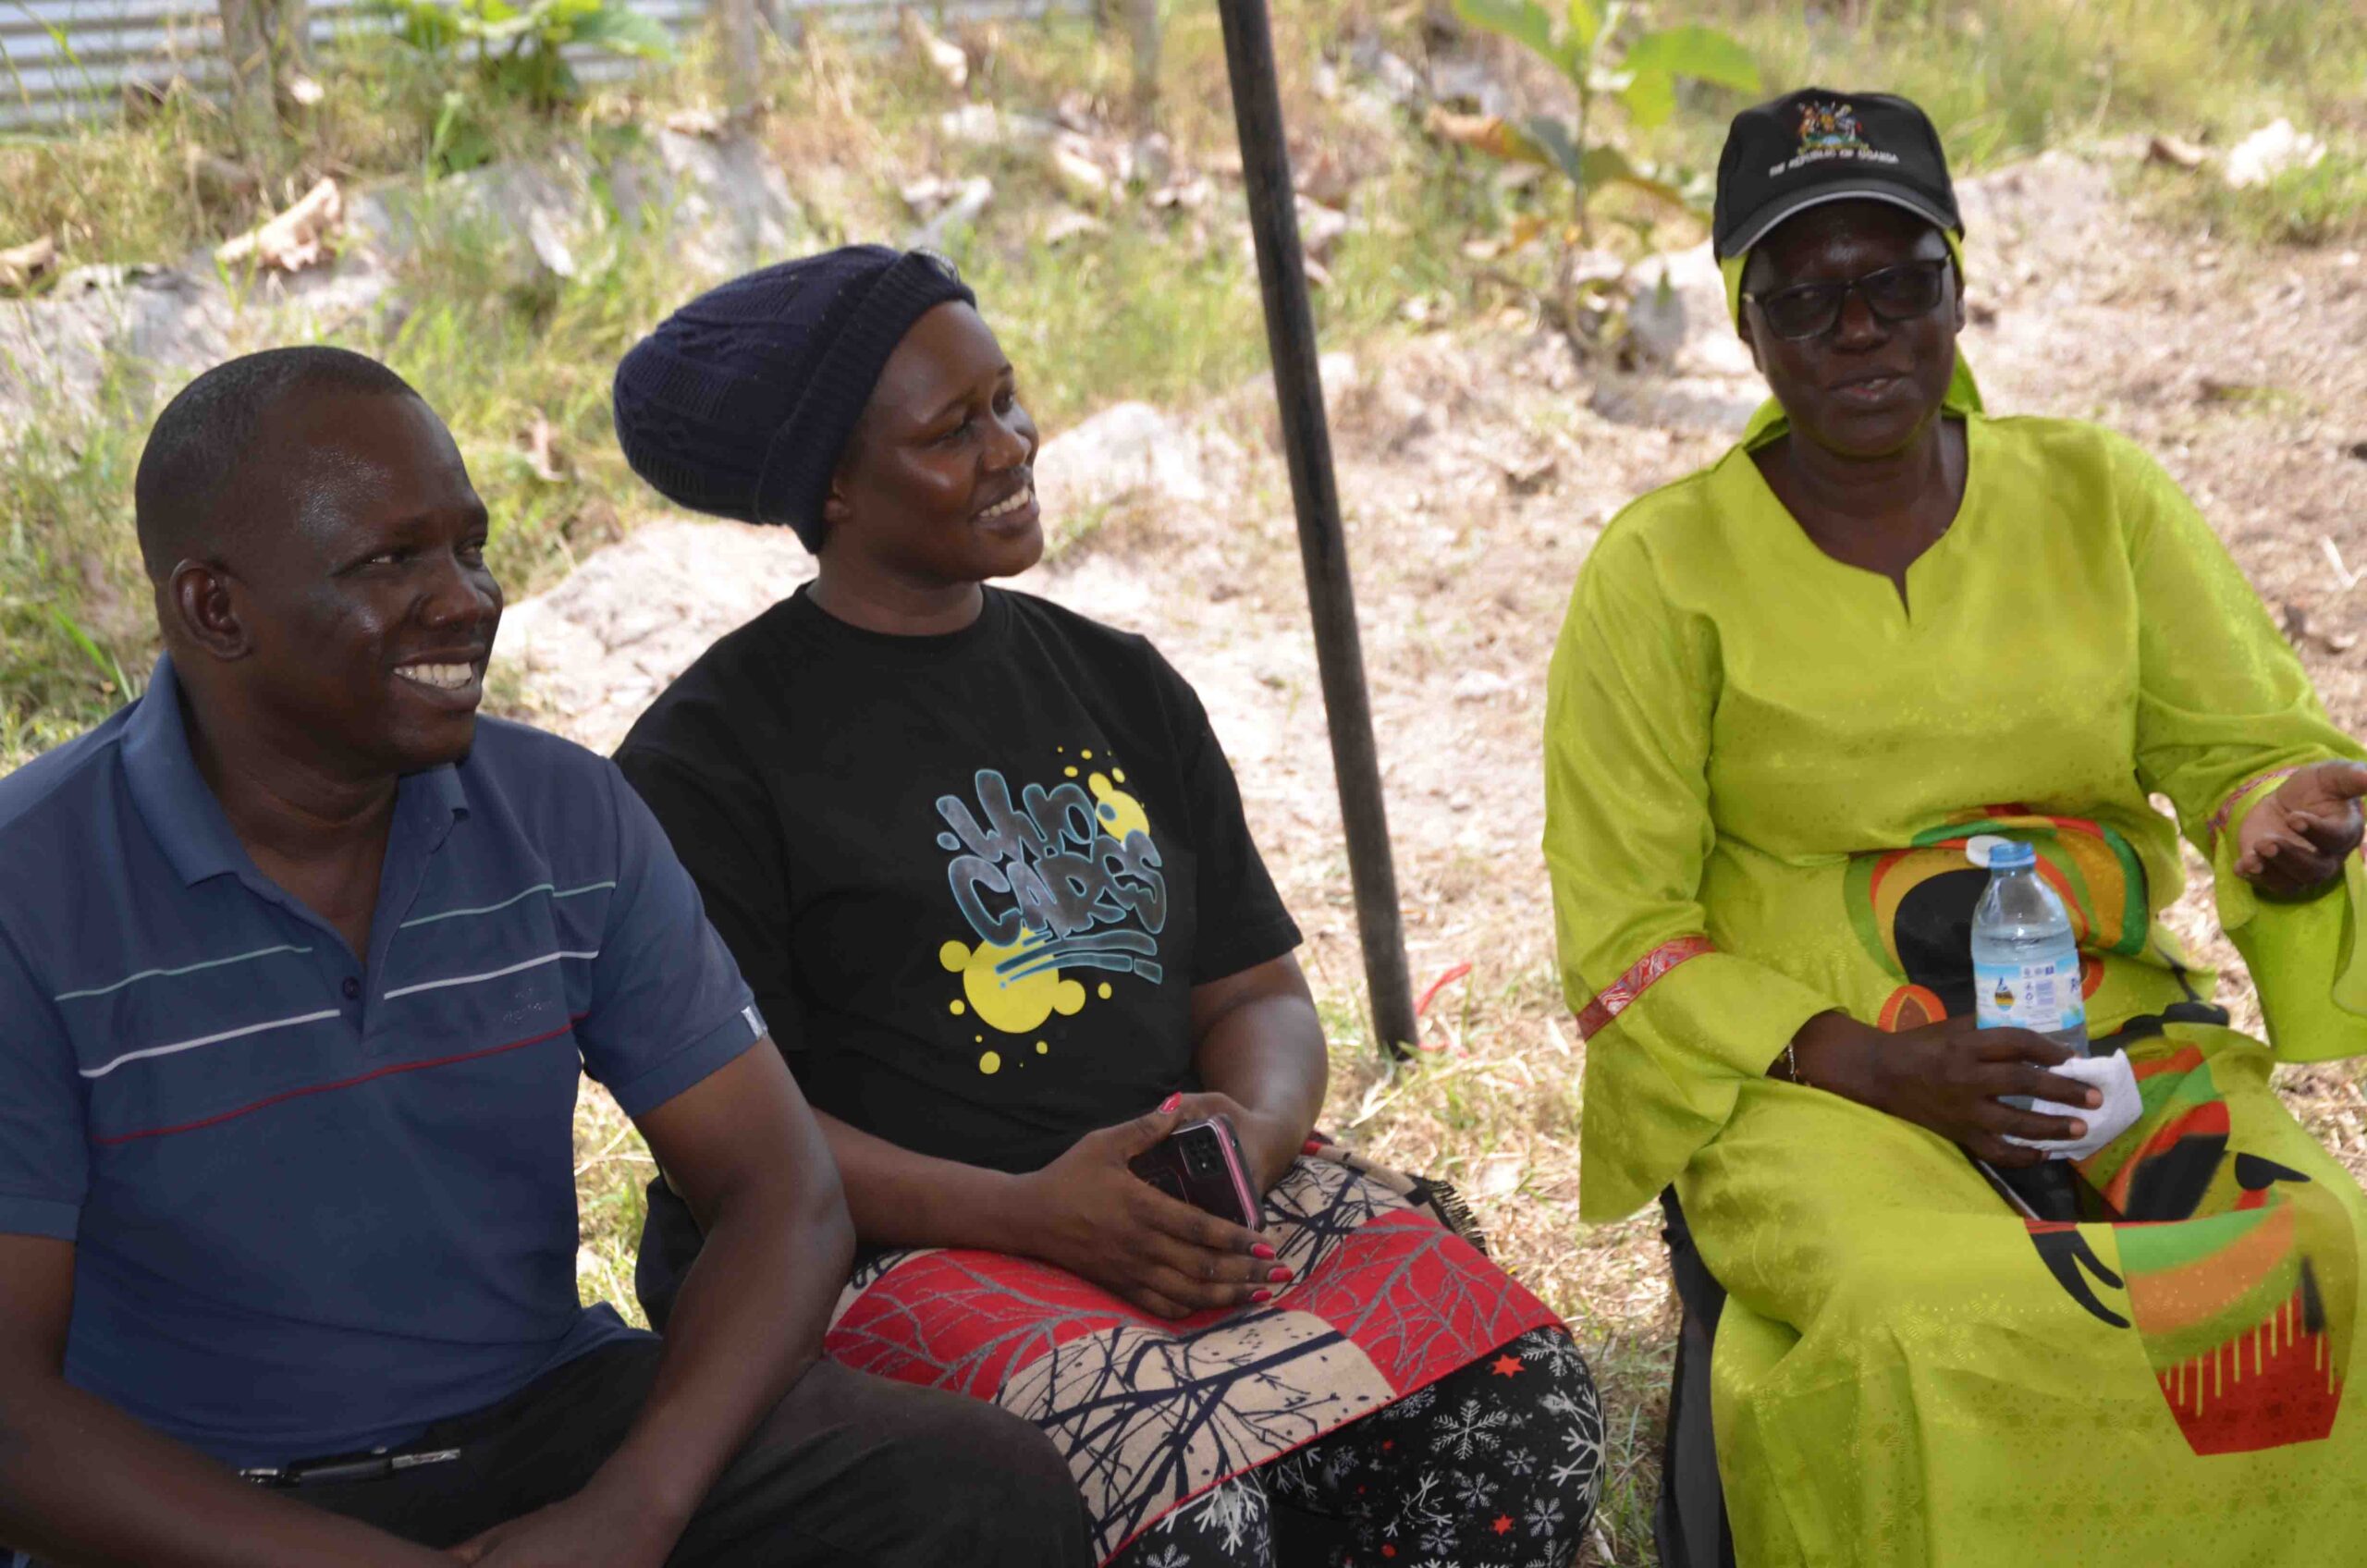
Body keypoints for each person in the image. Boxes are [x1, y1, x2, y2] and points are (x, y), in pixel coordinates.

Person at [0, 347, 1092, 1568]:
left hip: (544, 1427)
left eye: (468, 545)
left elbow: (782, 1193)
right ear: (215, 608)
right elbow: (13, 1423)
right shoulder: (29, 889)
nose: (466, 597)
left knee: (973, 1493)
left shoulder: (565, 816)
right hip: (201, 1496)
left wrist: (634, 1507)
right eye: (393, 560)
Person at [605, 246, 1604, 1567]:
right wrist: (1033, 1213)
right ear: (833, 488)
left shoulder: (1118, 682)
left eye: (1007, 400)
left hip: (1185, 1207)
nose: (1013, 445)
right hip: (892, 1247)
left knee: (1529, 1411)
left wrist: (1251, 1135)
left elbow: (1254, 994)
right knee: (1193, 1505)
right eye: (953, 431)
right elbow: (747, 1147)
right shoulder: (708, 758)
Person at [1544, 88, 2367, 1564]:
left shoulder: (2092, 497)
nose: (1858, 330)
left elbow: (2237, 741)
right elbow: (1624, 929)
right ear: (1749, 329)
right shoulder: (1663, 571)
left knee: (2307, 1261)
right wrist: (1872, 1063)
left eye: (1898, 281)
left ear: (1958, 290)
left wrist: (2270, 813)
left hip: (2105, 1034)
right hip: (1818, 1070)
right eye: (1806, 297)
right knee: (1925, 1320)